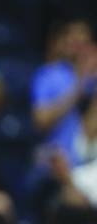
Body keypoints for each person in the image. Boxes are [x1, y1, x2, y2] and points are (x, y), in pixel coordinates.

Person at [32, 19, 96, 162]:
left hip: (90, 163)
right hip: (56, 164)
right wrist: (78, 88)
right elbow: (41, 121)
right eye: (73, 41)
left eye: (83, 42)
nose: (78, 48)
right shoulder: (49, 74)